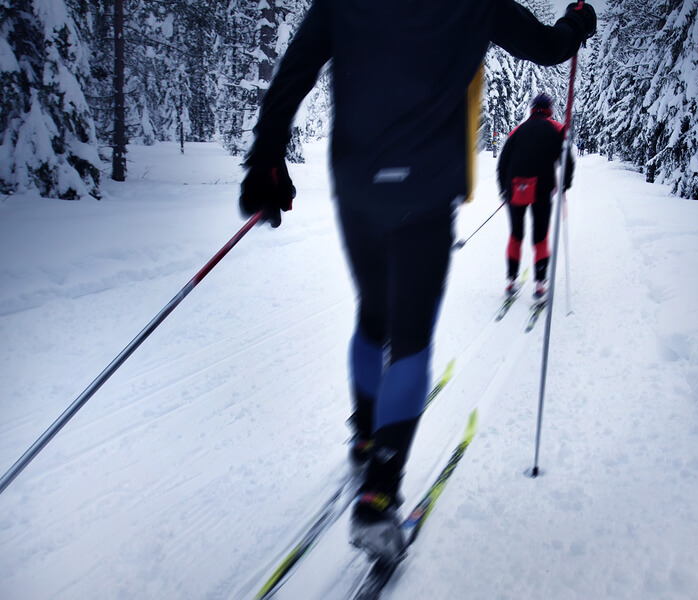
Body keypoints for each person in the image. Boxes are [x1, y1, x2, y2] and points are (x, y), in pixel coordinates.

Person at [238, 0, 596, 561]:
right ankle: (379, 495)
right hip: (426, 191)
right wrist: (579, 20)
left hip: (358, 185)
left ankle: (363, 433)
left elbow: (297, 68)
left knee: (374, 312)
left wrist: (265, 158)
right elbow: (548, 48)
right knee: (410, 338)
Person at [497, 92, 574, 301]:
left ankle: (511, 280)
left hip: (515, 188)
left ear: (532, 109)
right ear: (549, 110)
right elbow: (568, 159)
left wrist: (503, 189)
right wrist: (565, 183)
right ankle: (540, 283)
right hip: (542, 188)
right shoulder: (558, 129)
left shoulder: (517, 130)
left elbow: (503, 162)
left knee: (516, 235)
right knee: (540, 236)